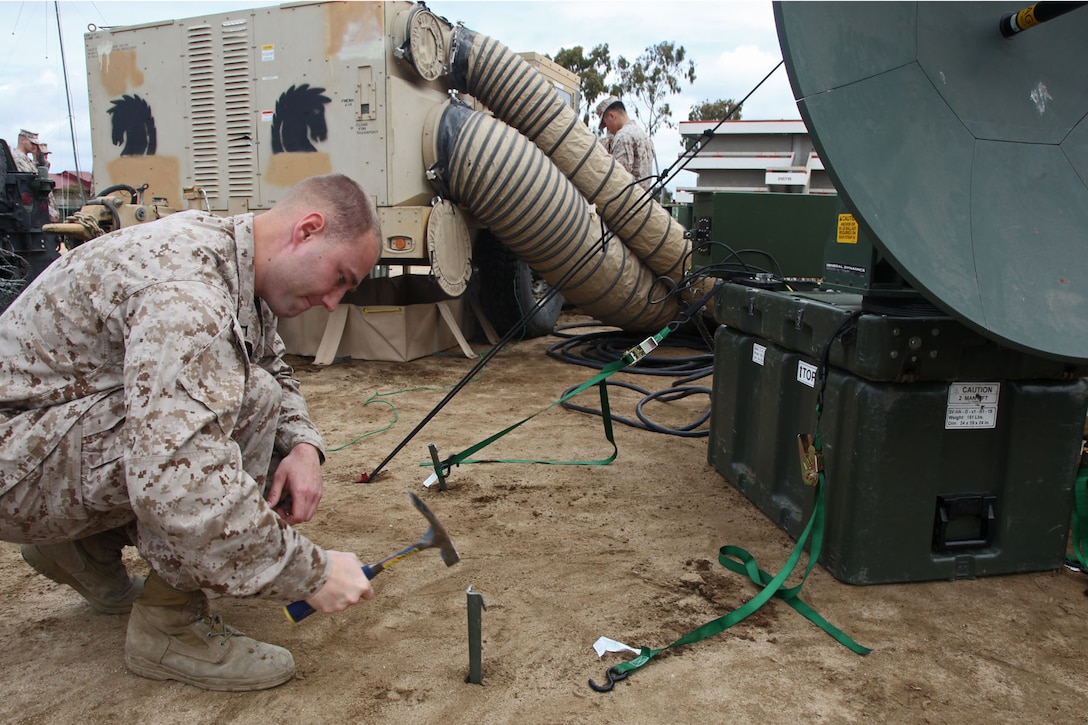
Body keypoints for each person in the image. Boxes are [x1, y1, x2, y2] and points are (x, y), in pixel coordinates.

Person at [0, 172, 381, 692]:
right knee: (231, 412)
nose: (334, 301)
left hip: (37, 444)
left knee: (255, 390)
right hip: (14, 471)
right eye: (340, 278)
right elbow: (181, 483)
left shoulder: (232, 259)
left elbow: (270, 363)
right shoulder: (190, 294)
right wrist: (310, 574)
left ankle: (81, 548)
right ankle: (170, 625)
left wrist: (303, 445)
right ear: (308, 230)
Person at [595, 96, 656, 192]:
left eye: (606, 124)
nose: (608, 129)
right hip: (643, 200)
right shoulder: (644, 136)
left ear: (612, 116)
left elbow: (618, 178)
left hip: (626, 202)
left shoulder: (623, 137)